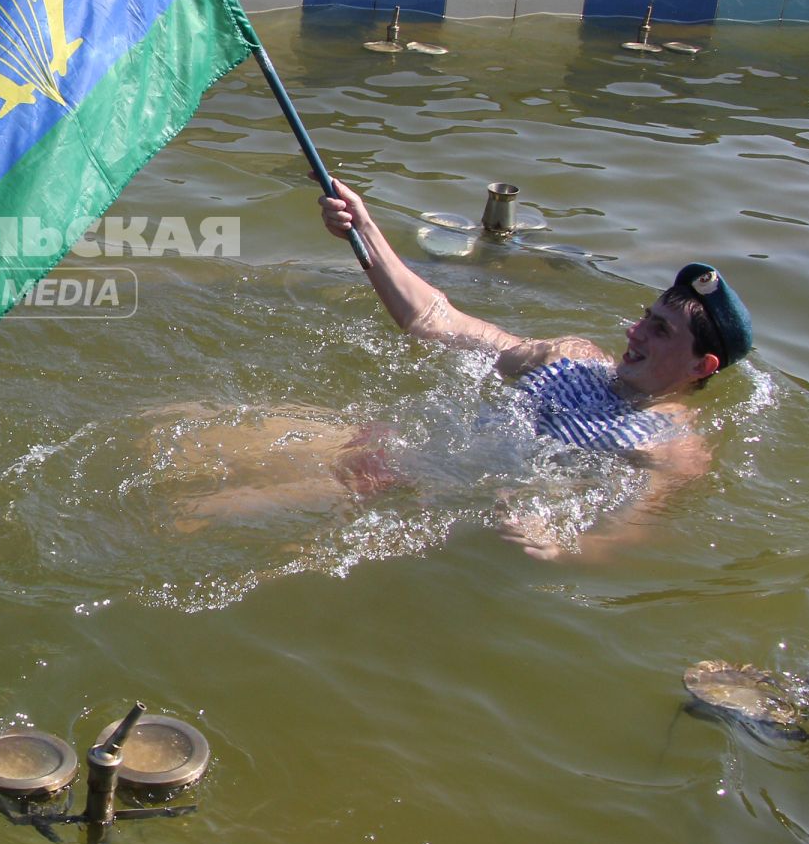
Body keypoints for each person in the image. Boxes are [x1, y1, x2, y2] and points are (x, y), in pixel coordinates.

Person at [314, 177, 753, 558]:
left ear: (702, 365)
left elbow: (623, 535)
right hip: (378, 445)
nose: (634, 333)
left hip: (413, 500)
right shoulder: (570, 358)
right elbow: (435, 321)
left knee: (251, 496)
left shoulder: (669, 446)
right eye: (645, 317)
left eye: (660, 330)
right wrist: (365, 229)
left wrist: (559, 547)